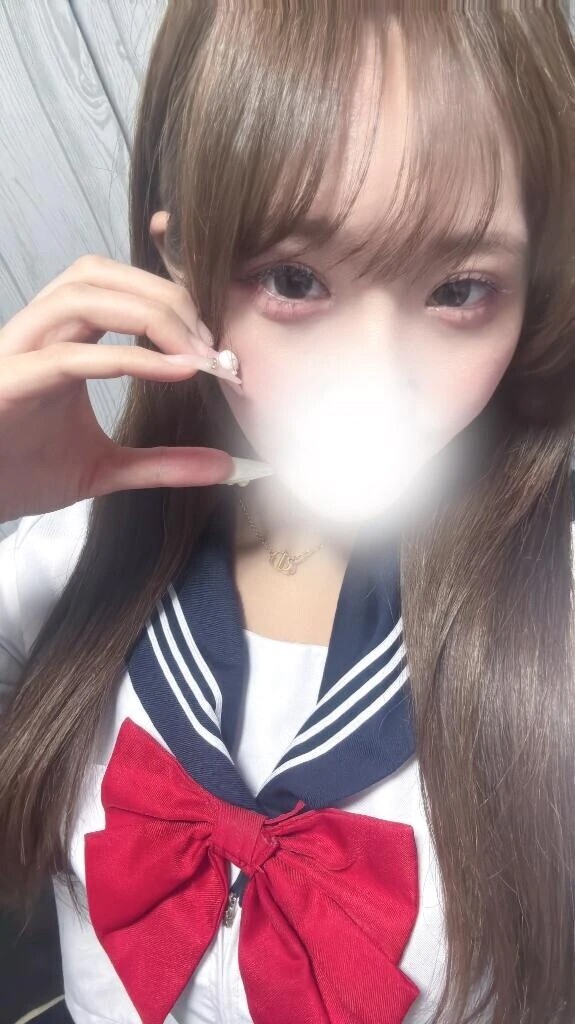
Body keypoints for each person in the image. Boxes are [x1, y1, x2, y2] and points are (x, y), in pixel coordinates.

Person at [1, 3, 574, 1023]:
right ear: (183, 269)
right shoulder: (67, 556)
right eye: (295, 278)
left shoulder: (553, 626)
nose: (372, 377)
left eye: (459, 290)